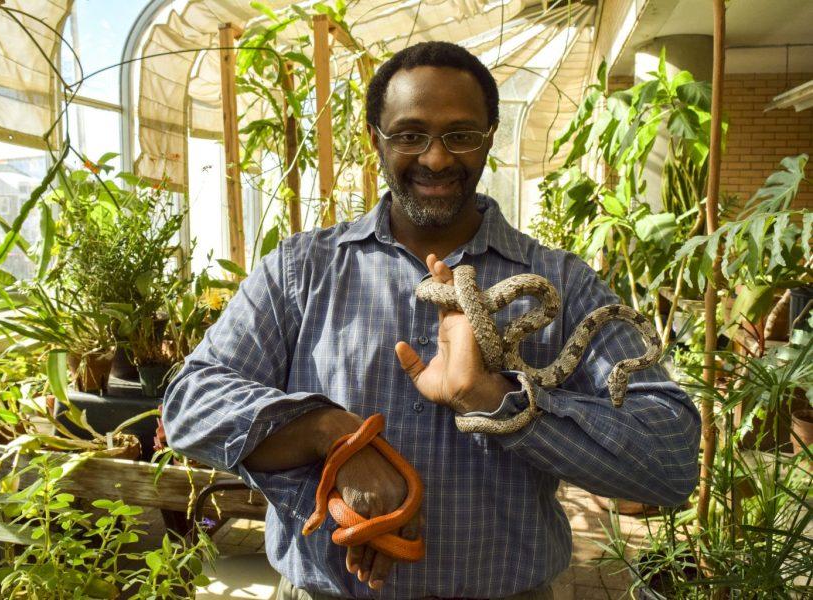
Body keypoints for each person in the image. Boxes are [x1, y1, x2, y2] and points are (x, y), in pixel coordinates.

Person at [162, 41, 701, 600]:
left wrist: (497, 401)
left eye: (461, 135)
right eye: (410, 134)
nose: (437, 158)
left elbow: (672, 460)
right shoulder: (302, 270)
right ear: (375, 139)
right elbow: (189, 402)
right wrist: (336, 438)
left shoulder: (560, 283)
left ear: (490, 136)